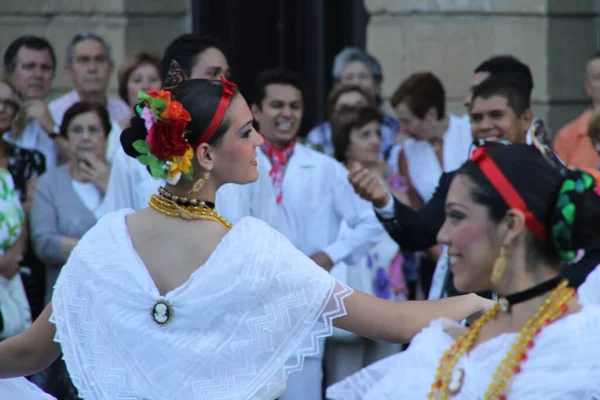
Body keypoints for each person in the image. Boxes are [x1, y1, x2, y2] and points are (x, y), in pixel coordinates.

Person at [0, 65, 491, 400]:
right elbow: (399, 322)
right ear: (206, 156)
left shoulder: (107, 240)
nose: (259, 139)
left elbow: (27, 353)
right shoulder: (252, 251)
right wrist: (485, 304)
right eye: (245, 131)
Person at [328, 143, 600, 399]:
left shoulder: (583, 344)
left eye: (457, 216)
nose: (443, 235)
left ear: (510, 225)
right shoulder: (444, 343)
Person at [101, 34, 230, 215]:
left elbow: (267, 231)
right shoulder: (132, 155)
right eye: (213, 73)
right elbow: (114, 229)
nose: (225, 84)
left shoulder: (243, 148)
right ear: (180, 79)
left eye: (227, 74)